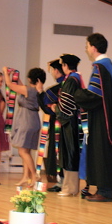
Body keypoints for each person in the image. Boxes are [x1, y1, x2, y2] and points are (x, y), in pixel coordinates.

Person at [74, 33, 112, 202]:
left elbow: (94, 95)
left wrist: (77, 93)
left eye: (87, 45)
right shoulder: (108, 65)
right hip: (108, 117)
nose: (86, 49)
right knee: (105, 153)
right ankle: (104, 190)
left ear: (93, 48)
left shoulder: (100, 67)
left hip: (102, 120)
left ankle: (104, 192)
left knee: (101, 153)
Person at [2, 66, 46, 188]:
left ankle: (34, 175)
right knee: (26, 150)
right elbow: (19, 87)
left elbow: (10, 86)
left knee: (22, 151)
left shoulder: (29, 90)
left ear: (31, 79)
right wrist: (17, 77)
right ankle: (26, 177)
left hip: (27, 121)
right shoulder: (34, 90)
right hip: (32, 120)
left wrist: (6, 72)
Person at [55, 54, 83, 197]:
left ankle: (70, 188)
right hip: (71, 121)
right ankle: (69, 187)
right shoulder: (74, 79)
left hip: (69, 122)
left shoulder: (71, 80)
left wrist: (56, 110)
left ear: (65, 65)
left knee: (70, 153)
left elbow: (66, 105)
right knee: (69, 153)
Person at [37, 59, 65, 192]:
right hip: (70, 125)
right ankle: (64, 182)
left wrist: (40, 92)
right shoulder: (73, 85)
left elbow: (47, 108)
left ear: (56, 70)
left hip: (59, 125)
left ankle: (61, 182)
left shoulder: (54, 90)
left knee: (58, 151)